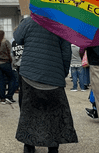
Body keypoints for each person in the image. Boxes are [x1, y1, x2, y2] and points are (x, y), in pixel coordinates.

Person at [13, 17, 78, 153]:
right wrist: (63, 72)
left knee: (28, 111)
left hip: (29, 73)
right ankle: (52, 147)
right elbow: (67, 53)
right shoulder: (61, 23)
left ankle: (29, 146)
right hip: (53, 75)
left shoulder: (30, 21)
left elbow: (17, 38)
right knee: (53, 113)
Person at [0, 30, 16, 104]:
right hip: (5, 62)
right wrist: (11, 61)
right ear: (3, 35)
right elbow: (10, 52)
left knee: (0, 81)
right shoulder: (5, 42)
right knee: (12, 79)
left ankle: (2, 98)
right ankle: (9, 96)